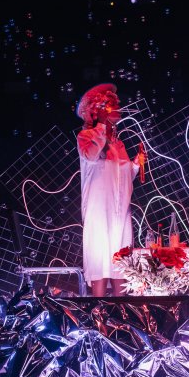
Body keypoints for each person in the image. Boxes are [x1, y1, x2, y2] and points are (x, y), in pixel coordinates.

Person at [76, 83, 145, 297]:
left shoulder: (118, 144)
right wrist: (102, 126)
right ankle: (98, 316)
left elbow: (121, 176)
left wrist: (135, 164)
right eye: (112, 104)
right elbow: (91, 155)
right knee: (100, 259)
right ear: (99, 109)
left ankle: (121, 320)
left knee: (120, 261)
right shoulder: (86, 136)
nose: (119, 107)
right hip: (99, 212)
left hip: (119, 212)